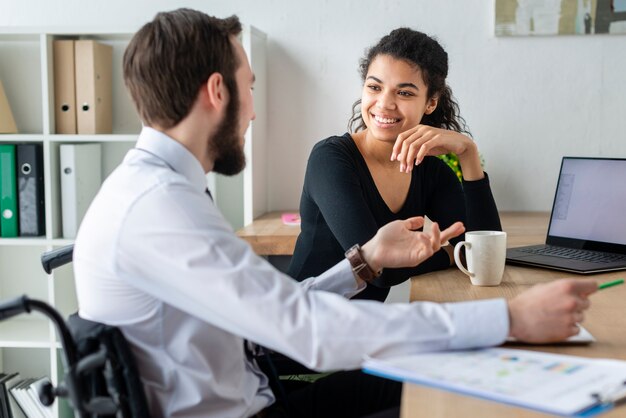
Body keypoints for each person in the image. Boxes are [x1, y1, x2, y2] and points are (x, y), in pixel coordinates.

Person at [73, 9, 598, 418]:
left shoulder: (158, 193)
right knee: (459, 382)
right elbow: (304, 330)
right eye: (250, 87)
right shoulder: (163, 208)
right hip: (264, 403)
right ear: (217, 91)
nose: (253, 110)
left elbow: (272, 314)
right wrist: (509, 317)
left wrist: (365, 261)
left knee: (454, 373)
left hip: (262, 388)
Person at [288, 28, 501, 302]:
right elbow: (381, 270)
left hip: (361, 328)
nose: (385, 104)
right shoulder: (330, 159)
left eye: (404, 93)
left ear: (430, 103)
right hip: (299, 327)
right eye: (374, 87)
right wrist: (450, 254)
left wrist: (468, 154)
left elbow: (484, 258)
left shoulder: (430, 171)